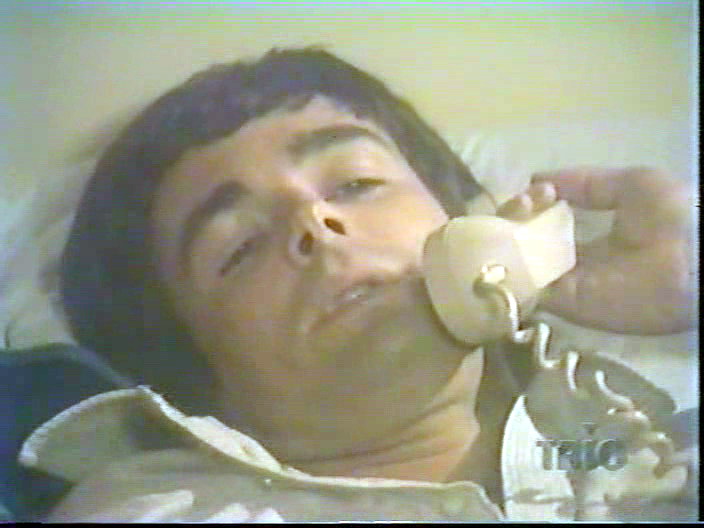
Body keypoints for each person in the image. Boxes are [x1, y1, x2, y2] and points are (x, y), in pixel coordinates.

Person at [18, 47, 696, 522]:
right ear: (191, 371)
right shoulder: (152, 512)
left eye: (356, 183)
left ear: (467, 218)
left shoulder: (650, 422)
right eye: (241, 247)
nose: (313, 220)